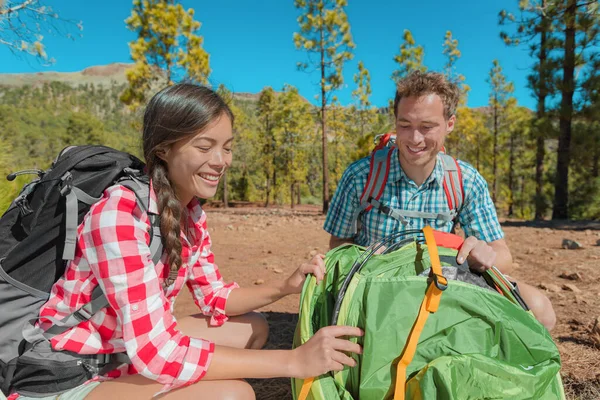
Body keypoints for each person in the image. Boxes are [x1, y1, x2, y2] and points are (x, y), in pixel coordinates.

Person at [10, 84, 362, 400]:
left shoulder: (189, 213)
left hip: (121, 350)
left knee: (254, 327)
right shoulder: (120, 214)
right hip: (66, 374)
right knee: (233, 396)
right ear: (163, 149)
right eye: (205, 147)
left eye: (227, 148)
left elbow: (215, 298)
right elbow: (158, 352)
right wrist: (293, 361)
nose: (221, 161)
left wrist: (283, 286)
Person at [324, 71, 556, 331]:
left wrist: (481, 256)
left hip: (443, 286)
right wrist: (362, 258)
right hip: (377, 288)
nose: (414, 139)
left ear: (450, 123)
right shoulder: (361, 176)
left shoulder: (465, 181)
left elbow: (503, 256)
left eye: (427, 127)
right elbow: (337, 246)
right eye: (404, 125)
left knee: (541, 311)